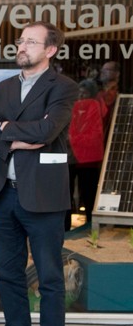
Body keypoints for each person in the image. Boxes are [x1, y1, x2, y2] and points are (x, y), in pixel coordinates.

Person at [0, 21, 78, 326]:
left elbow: (48, 130)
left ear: (50, 50)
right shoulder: (3, 88)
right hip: (5, 193)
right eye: (21, 41)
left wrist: (7, 130)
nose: (22, 46)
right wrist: (20, 139)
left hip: (44, 196)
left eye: (30, 42)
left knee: (49, 274)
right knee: (8, 271)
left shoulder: (63, 87)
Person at [68, 79, 107, 225]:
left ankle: (91, 225)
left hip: (87, 157)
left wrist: (73, 138)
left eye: (84, 93)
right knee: (67, 194)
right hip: (71, 156)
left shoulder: (95, 106)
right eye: (79, 92)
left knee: (88, 193)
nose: (81, 96)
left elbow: (95, 134)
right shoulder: (74, 107)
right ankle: (66, 227)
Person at [96, 61, 120, 139]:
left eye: (107, 70)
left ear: (117, 74)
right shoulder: (97, 93)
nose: (102, 72)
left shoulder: (120, 95)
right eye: (102, 70)